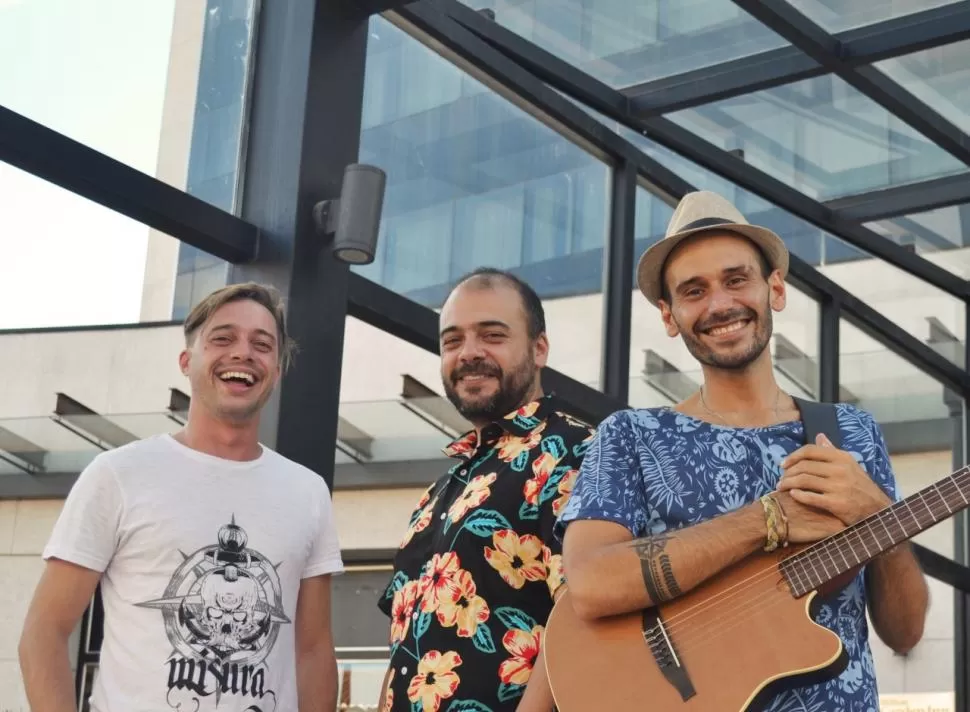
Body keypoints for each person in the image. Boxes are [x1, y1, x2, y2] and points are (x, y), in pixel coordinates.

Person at [556, 191, 929, 711]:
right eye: (693, 290)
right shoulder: (630, 435)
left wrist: (880, 520)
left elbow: (905, 633)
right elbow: (592, 584)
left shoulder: (851, 432)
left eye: (736, 279)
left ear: (774, 288)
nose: (720, 305)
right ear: (669, 315)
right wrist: (768, 519)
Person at [19, 282, 344, 712]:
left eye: (261, 344)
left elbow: (314, 651)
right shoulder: (117, 475)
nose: (243, 353)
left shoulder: (308, 492)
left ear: (277, 370)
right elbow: (44, 632)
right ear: (187, 361)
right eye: (223, 338)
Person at [376, 268, 595, 712]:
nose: (469, 353)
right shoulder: (438, 491)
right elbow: (402, 651)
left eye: (492, 335)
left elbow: (580, 617)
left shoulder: (579, 450)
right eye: (452, 341)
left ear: (539, 349)